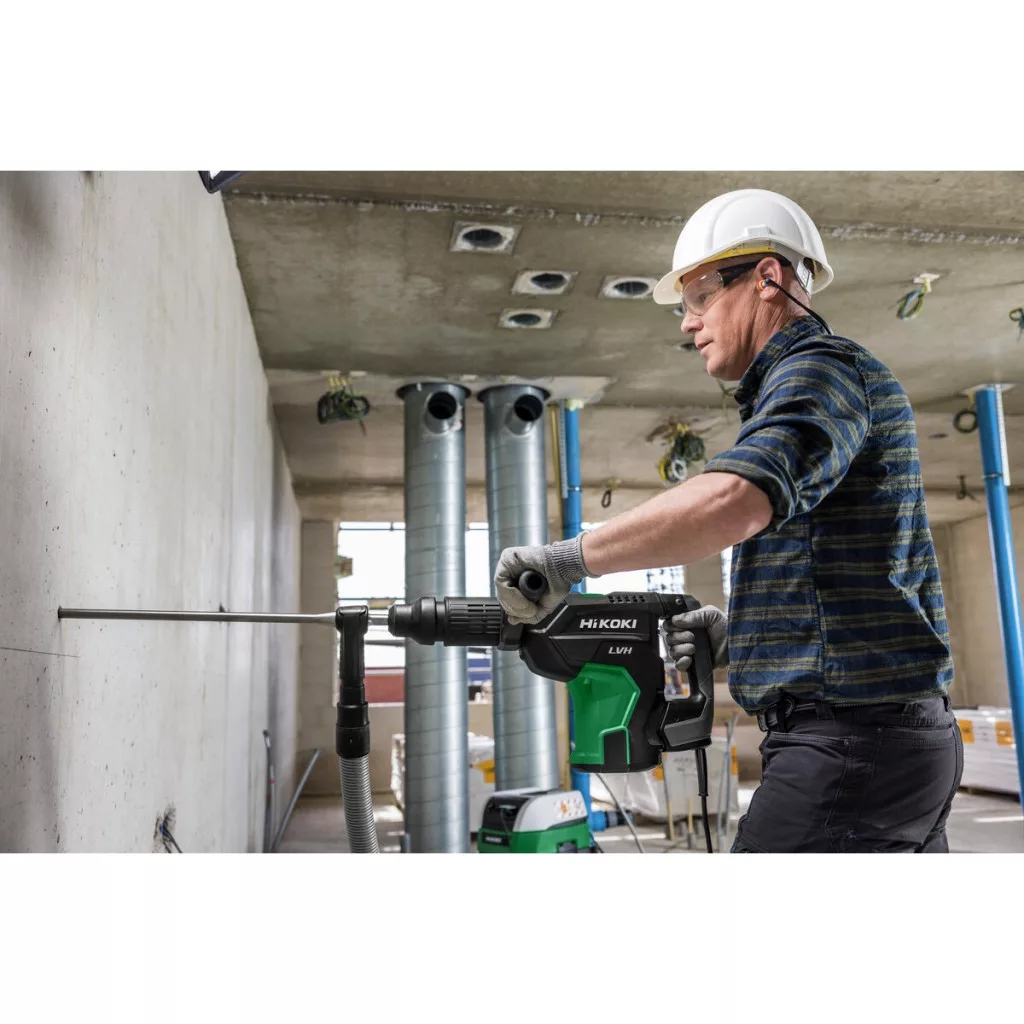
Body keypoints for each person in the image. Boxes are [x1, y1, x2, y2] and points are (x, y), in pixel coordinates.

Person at [494, 188, 962, 853]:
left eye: (699, 296)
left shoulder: (822, 369)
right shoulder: (809, 386)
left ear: (768, 278)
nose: (688, 323)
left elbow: (732, 501)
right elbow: (836, 577)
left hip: (851, 746)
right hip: (880, 742)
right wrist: (744, 637)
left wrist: (567, 560)